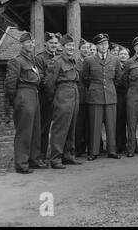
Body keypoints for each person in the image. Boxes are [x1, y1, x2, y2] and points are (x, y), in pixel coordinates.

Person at [5, 32, 46, 174]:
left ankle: (33, 160)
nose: (31, 44)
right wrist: (15, 100)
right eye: (27, 42)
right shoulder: (16, 60)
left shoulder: (31, 60)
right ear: (21, 44)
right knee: (24, 131)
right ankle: (21, 164)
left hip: (34, 94)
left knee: (35, 129)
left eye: (32, 42)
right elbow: (10, 83)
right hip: (23, 94)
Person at [82, 33, 122, 161]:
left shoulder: (115, 59)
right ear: (96, 46)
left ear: (108, 45)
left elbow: (118, 78)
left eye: (105, 44)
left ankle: (112, 150)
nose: (103, 46)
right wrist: (94, 87)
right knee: (95, 125)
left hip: (110, 96)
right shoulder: (89, 60)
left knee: (111, 125)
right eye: (100, 44)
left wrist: (110, 87)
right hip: (95, 96)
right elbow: (85, 78)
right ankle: (94, 152)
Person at [45, 34, 82, 169]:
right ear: (62, 47)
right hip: (63, 93)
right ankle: (55, 159)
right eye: (68, 45)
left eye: (73, 45)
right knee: (60, 128)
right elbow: (49, 83)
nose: (71, 48)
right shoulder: (57, 61)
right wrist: (54, 98)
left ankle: (69, 155)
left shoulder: (73, 60)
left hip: (74, 92)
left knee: (71, 126)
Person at [35, 32, 60, 162]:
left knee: (59, 127)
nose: (53, 45)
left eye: (56, 43)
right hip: (45, 98)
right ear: (46, 44)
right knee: (43, 128)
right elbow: (41, 78)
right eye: (51, 43)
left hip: (60, 97)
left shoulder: (60, 58)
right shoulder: (40, 58)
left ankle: (58, 155)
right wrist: (51, 94)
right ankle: (40, 155)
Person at [75, 39, 90, 157]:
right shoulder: (76, 63)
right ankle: (78, 149)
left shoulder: (92, 62)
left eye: (87, 48)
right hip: (80, 97)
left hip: (91, 97)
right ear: (79, 49)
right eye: (83, 48)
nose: (85, 50)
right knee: (79, 125)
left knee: (89, 125)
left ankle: (91, 148)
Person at [116, 46, 130, 154]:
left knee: (131, 121)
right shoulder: (115, 65)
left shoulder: (131, 65)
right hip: (118, 95)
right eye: (121, 54)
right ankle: (119, 145)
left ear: (128, 56)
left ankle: (132, 145)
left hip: (130, 94)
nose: (123, 56)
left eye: (125, 54)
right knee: (119, 120)